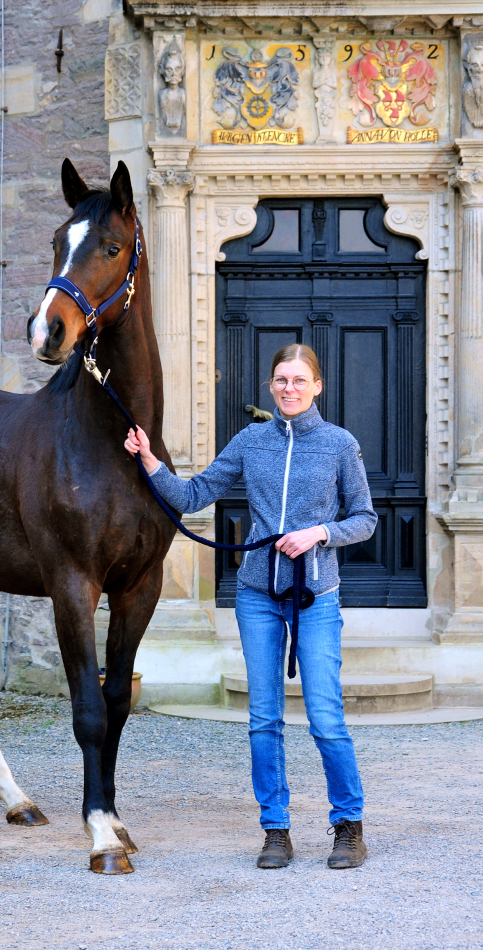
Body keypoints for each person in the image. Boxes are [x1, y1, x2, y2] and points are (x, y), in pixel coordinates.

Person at [125, 343, 377, 870]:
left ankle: (349, 827)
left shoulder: (339, 444)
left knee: (326, 718)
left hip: (316, 596)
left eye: (299, 380)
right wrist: (150, 460)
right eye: (281, 380)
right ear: (271, 386)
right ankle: (276, 830)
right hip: (257, 596)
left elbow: (365, 519)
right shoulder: (250, 440)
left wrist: (319, 533)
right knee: (264, 719)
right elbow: (194, 495)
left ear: (317, 386)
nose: (290, 388)